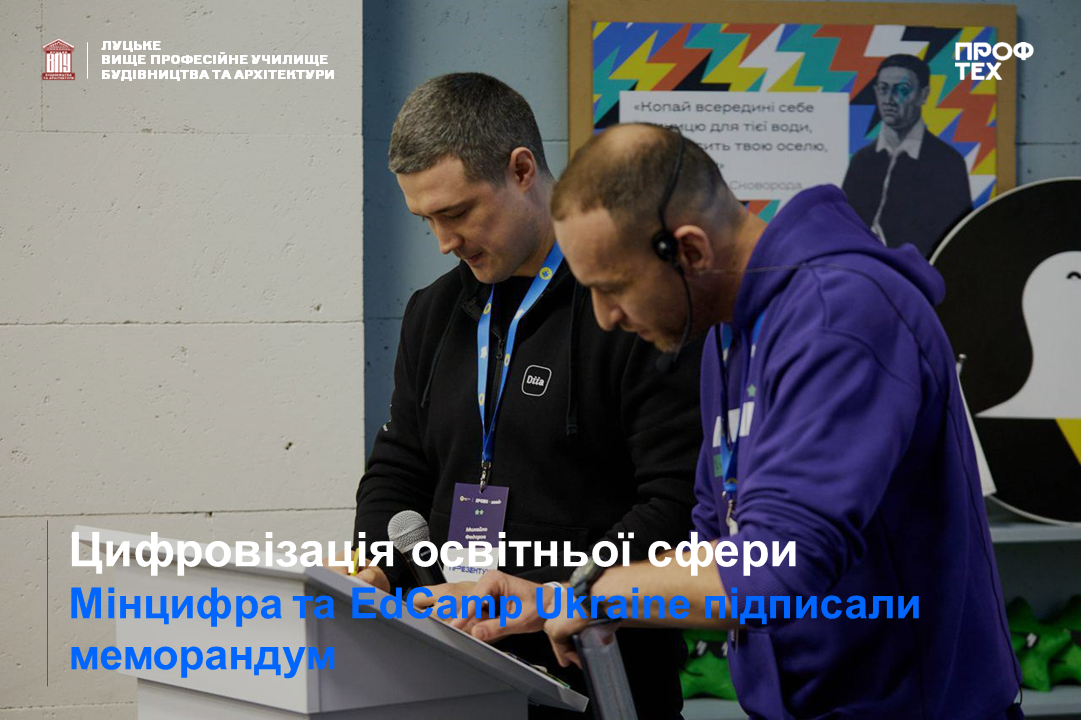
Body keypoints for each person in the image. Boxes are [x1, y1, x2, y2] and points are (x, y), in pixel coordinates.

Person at [531, 123, 1021, 717]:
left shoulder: (842, 315)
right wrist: (556, 597)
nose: (605, 318)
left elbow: (775, 569)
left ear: (689, 251)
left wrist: (601, 593)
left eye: (613, 288)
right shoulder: (724, 337)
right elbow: (718, 547)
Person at [350, 75, 701, 718]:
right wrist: (378, 567)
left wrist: (553, 595)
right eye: (427, 220)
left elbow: (675, 502)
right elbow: (398, 470)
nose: (444, 241)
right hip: (453, 669)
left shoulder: (629, 307)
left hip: (599, 669)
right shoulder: (432, 311)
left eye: (457, 212)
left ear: (521, 170)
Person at [842, 54, 973, 257]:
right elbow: (844, 230)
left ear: (923, 95)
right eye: (883, 89)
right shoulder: (862, 161)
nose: (889, 100)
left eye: (902, 90)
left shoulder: (948, 163)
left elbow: (958, 242)